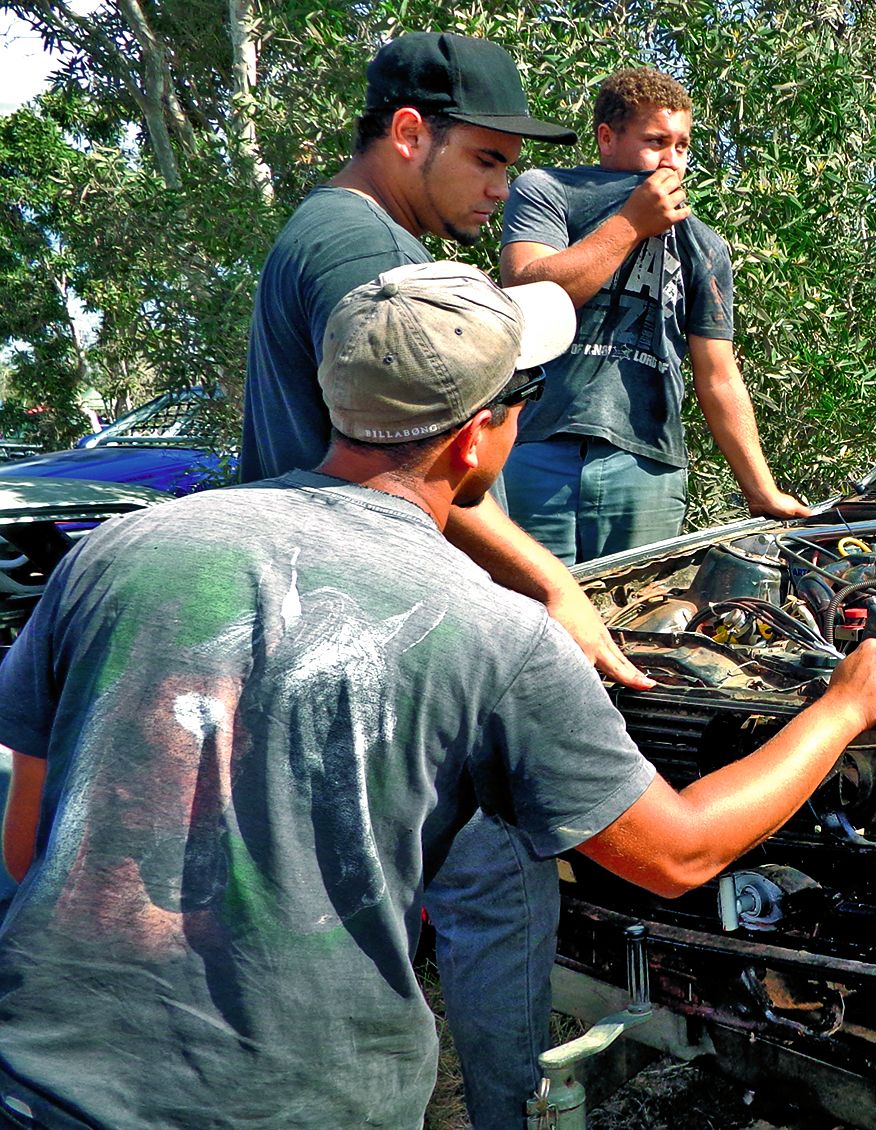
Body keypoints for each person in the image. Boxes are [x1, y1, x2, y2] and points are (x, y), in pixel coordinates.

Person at [0, 261, 876, 1129]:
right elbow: (677, 855)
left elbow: (28, 844)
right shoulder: (495, 633)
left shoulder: (119, 552)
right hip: (294, 1100)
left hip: (37, 1071)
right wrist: (842, 705)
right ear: (478, 436)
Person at [240, 33, 652, 1126]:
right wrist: (553, 589)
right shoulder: (359, 250)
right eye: (487, 159)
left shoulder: (336, 229)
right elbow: (416, 456)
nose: (502, 188)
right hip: (382, 624)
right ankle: (505, 1112)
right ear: (409, 132)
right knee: (498, 871)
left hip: (336, 614)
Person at [498, 66, 810, 566]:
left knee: (636, 609)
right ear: (607, 138)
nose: (672, 161)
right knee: (528, 606)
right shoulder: (548, 190)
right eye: (656, 142)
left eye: (682, 146)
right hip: (537, 444)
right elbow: (527, 296)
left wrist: (761, 489)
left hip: (646, 462)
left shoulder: (703, 244)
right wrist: (631, 223)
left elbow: (718, 374)